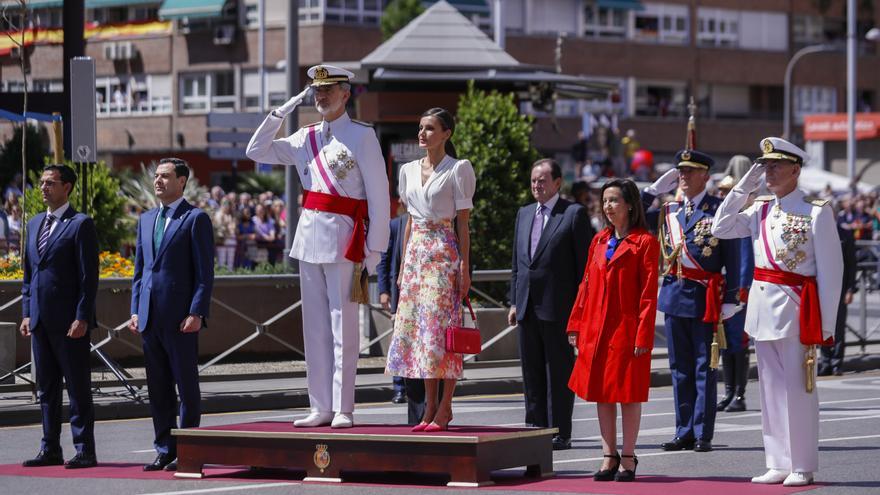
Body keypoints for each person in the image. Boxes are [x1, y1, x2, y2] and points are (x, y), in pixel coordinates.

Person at [246, 64, 390, 428]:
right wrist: (281, 112)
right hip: (308, 240)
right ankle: (320, 406)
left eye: (328, 90)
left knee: (344, 328)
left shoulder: (361, 137)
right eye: (316, 91)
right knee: (314, 329)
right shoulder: (304, 136)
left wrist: (374, 251)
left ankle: (343, 408)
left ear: (346, 94)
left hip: (345, 241)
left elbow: (378, 195)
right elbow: (256, 150)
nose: (320, 96)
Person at [712, 137, 843, 487]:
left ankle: (801, 463)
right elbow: (720, 227)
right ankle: (777, 461)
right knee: (770, 392)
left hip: (798, 309)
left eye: (774, 165)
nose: (767, 171)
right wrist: (744, 185)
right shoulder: (760, 208)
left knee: (799, 391)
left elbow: (832, 272)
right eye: (764, 165)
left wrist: (826, 325)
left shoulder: (816, 211)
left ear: (795, 169)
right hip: (763, 308)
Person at [641, 150, 744, 453]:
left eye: (690, 172)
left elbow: (733, 258)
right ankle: (683, 430)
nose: (683, 177)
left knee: (703, 368)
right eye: (680, 172)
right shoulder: (669, 210)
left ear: (705, 176)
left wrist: (731, 298)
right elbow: (633, 215)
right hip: (674, 296)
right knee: (679, 368)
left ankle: (702, 432)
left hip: (704, 298)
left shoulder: (718, 210)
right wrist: (651, 191)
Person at [385, 107, 475, 432]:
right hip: (416, 257)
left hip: (443, 251)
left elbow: (463, 224)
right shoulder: (407, 170)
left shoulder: (458, 169)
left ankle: (445, 407)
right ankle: (429, 407)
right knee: (421, 333)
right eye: (421, 127)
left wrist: (464, 268)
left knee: (442, 331)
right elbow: (409, 220)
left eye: (430, 128)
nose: (422, 134)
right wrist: (402, 266)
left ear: (446, 134)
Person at [567, 178, 658, 482]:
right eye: (604, 200)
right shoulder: (599, 240)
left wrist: (644, 334)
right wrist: (576, 323)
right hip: (596, 327)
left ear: (630, 204)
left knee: (628, 395)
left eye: (614, 200)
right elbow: (586, 286)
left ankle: (629, 457)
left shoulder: (645, 243)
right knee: (601, 393)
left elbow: (648, 294)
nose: (607, 206)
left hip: (626, 328)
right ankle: (609, 455)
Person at [128, 158, 215, 472]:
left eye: (165, 176)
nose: (158, 181)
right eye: (156, 176)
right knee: (158, 388)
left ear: (182, 182)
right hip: (150, 318)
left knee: (186, 388)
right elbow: (139, 272)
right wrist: (135, 310)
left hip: (181, 319)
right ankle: (164, 449)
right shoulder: (146, 219)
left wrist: (197, 312)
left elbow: (205, 274)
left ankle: (189, 448)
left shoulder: (195, 219)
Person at [509, 158, 593, 450]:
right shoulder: (524, 213)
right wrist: (513, 301)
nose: (537, 185)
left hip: (559, 308)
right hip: (527, 305)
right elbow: (518, 264)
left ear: (558, 183)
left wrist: (581, 311)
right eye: (533, 180)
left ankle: (560, 431)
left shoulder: (573, 214)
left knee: (557, 372)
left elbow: (585, 267)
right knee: (531, 372)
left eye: (542, 180)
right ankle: (534, 427)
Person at [19, 165, 99, 469]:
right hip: (40, 321)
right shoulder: (35, 222)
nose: (43, 188)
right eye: (41, 182)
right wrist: (27, 313)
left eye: (50, 183)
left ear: (67, 187)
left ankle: (85, 450)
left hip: (70, 324)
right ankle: (50, 447)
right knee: (46, 389)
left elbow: (88, 277)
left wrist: (82, 317)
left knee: (78, 388)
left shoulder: (80, 224)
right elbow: (29, 275)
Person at [378, 206, 409, 405]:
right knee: (399, 340)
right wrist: (383, 291)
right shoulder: (396, 224)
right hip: (398, 293)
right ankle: (399, 388)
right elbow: (385, 260)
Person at [818, 223, 857, 376]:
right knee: (823, 327)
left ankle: (837, 364)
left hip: (840, 288)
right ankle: (825, 362)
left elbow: (852, 264)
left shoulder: (845, 234)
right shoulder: (818, 232)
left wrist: (850, 289)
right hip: (821, 288)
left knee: (839, 329)